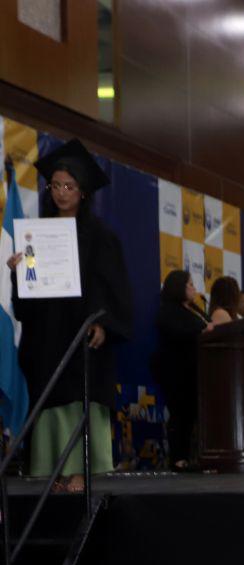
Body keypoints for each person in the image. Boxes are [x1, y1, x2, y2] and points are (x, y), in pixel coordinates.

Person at [6, 139, 132, 492]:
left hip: (82, 342)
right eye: (56, 185)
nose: (62, 193)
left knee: (80, 400)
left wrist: (103, 324)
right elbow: (26, 307)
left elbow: (115, 292)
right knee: (50, 400)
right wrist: (19, 273)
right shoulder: (36, 236)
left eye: (69, 186)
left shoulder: (101, 237)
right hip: (46, 342)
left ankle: (80, 476)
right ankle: (55, 477)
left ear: (83, 192)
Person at [152, 270, 211, 470]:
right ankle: (178, 458)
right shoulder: (167, 311)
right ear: (178, 287)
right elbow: (176, 332)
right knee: (180, 413)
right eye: (190, 284)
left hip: (196, 370)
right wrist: (202, 330)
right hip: (176, 371)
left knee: (192, 414)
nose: (194, 288)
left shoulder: (195, 308)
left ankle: (191, 456)